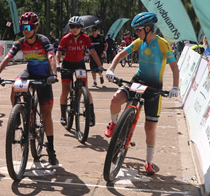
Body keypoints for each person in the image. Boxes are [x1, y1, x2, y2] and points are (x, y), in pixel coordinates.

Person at [104, 12, 179, 175]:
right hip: (138, 81)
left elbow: (174, 67)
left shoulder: (162, 44)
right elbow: (121, 54)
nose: (135, 33)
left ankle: (148, 162)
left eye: (138, 30)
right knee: (116, 99)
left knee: (150, 127)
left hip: (154, 87)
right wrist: (111, 69)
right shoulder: (139, 42)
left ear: (147, 28)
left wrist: (175, 87)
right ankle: (114, 124)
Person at [0, 12, 59, 166]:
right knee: (15, 86)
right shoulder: (20, 42)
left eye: (28, 27)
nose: (25, 31)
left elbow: (51, 57)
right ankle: (17, 115)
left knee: (46, 114)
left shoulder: (43, 40)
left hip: (45, 75)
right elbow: (8, 57)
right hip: (30, 72)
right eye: (23, 28)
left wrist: (54, 74)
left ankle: (51, 149)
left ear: (35, 28)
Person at [55, 16, 102, 127]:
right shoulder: (65, 38)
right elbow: (58, 53)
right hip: (67, 64)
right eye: (72, 26)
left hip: (79, 64)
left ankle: (91, 114)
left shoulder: (85, 38)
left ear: (81, 27)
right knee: (65, 89)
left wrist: (99, 65)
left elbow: (93, 52)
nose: (75, 29)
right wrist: (57, 65)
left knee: (85, 88)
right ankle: (63, 115)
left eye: (77, 26)